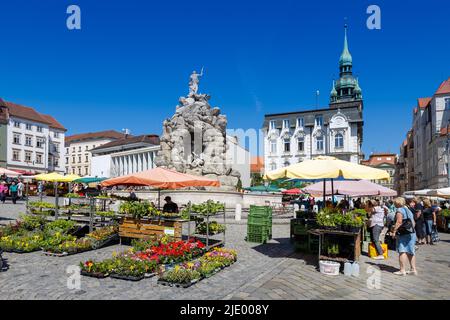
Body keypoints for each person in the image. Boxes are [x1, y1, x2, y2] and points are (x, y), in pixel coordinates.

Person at [391, 197, 417, 276]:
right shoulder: (408, 210)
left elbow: (399, 222)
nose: (394, 204)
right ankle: (413, 269)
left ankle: (402, 270)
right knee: (411, 251)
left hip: (403, 234)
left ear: (397, 203)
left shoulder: (399, 210)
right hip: (411, 233)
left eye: (394, 203)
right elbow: (413, 223)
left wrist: (394, 231)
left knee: (402, 251)